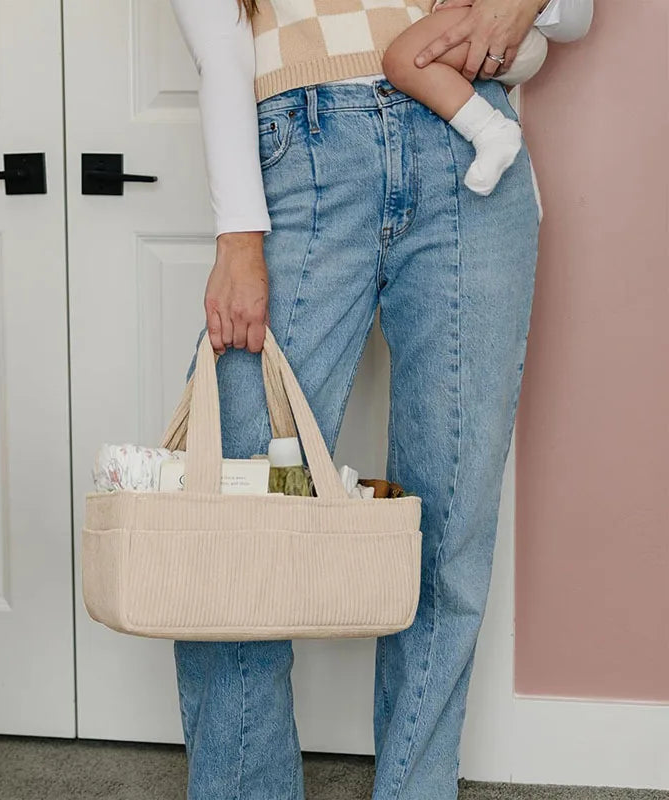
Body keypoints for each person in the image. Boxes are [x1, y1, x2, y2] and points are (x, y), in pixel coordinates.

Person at [169, 1, 592, 798]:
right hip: (307, 151)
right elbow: (219, 55)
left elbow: (576, 17)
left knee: (452, 517)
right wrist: (239, 238)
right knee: (236, 514)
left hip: (470, 155)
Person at [382, 0, 592, 194]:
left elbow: (577, 18)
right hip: (493, 35)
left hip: (498, 25)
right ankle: (494, 134)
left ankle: (492, 131)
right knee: (406, 61)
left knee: (403, 60)